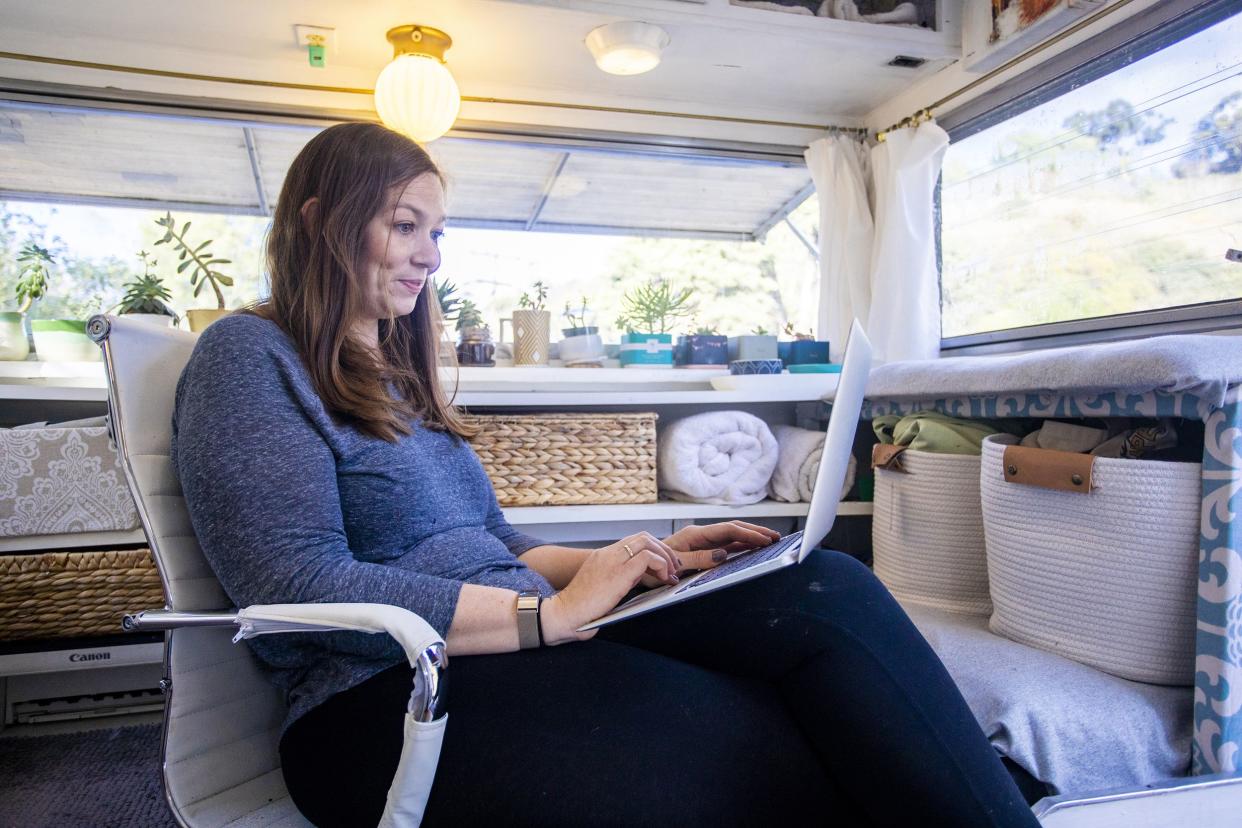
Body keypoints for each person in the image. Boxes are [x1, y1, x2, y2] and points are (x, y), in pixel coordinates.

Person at [171, 122, 1040, 828]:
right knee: (796, 751)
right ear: (322, 221)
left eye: (437, 232)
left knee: (823, 584)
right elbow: (293, 584)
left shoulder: (399, 376)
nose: (432, 255)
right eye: (406, 225)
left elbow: (499, 543)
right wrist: (544, 618)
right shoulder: (249, 356)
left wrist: (644, 557)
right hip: (380, 705)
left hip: (518, 648)